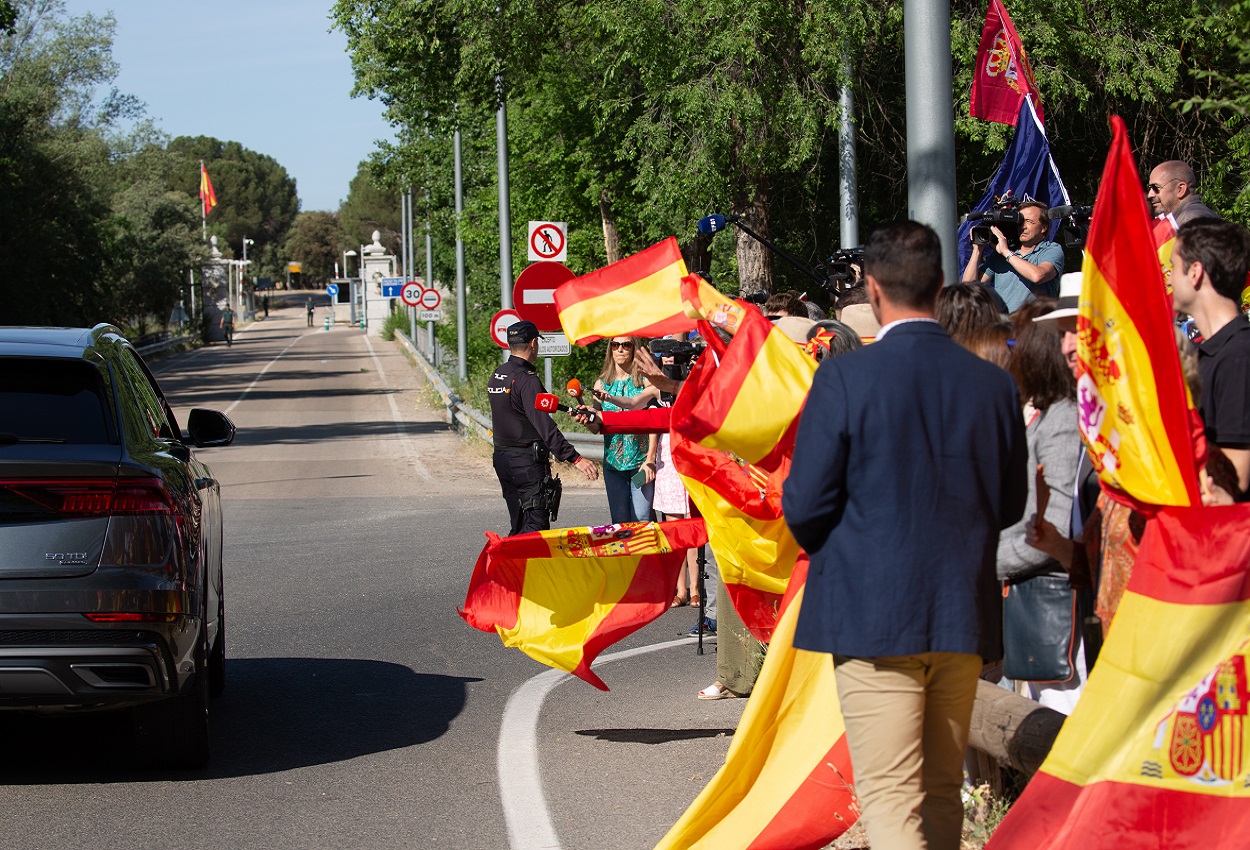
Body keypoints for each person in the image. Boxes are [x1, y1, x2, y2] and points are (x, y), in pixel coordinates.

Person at [784, 220, 1028, 850]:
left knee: (892, 798)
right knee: (943, 793)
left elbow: (805, 506)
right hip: (959, 613)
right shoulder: (994, 384)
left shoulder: (845, 378)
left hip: (873, 615)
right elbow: (1008, 503)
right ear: (941, 284)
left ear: (871, 289)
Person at [995, 299, 1085, 714]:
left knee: (1059, 723)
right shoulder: (1048, 414)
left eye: (1017, 343)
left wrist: (985, 560)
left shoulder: (1063, 418)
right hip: (1034, 594)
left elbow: (1056, 523)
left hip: (1057, 603)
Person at [488, 320, 598, 535]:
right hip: (526, 464)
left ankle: (512, 567)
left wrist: (570, 409)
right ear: (533, 343)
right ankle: (517, 568)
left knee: (519, 524)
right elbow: (543, 424)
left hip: (502, 459)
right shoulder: (527, 380)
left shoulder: (498, 375)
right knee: (534, 528)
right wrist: (575, 458)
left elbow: (538, 403)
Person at [1171, 218, 1250, 496]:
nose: (1168, 277)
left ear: (1195, 272)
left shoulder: (1239, 355)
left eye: (1172, 267)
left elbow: (1235, 478)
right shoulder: (1211, 352)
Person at [591, 337, 659, 524]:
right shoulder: (601, 384)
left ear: (634, 348)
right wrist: (585, 419)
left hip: (640, 463)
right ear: (610, 349)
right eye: (615, 345)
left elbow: (655, 422)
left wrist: (650, 459)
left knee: (642, 518)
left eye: (626, 345)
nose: (620, 349)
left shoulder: (645, 382)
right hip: (613, 466)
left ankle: (648, 554)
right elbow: (596, 427)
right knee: (619, 522)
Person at [961, 200, 1065, 312]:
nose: (1023, 227)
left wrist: (1006, 252)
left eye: (1029, 221)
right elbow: (968, 288)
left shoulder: (1051, 249)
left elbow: (1038, 276)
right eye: (1020, 222)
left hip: (1037, 326)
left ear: (1043, 227)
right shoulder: (1000, 255)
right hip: (1006, 326)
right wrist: (978, 250)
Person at [1147, 160, 1220, 226]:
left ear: (1180, 189)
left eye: (1156, 188)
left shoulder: (1192, 221)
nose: (1150, 195)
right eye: (1149, 188)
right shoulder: (1188, 218)